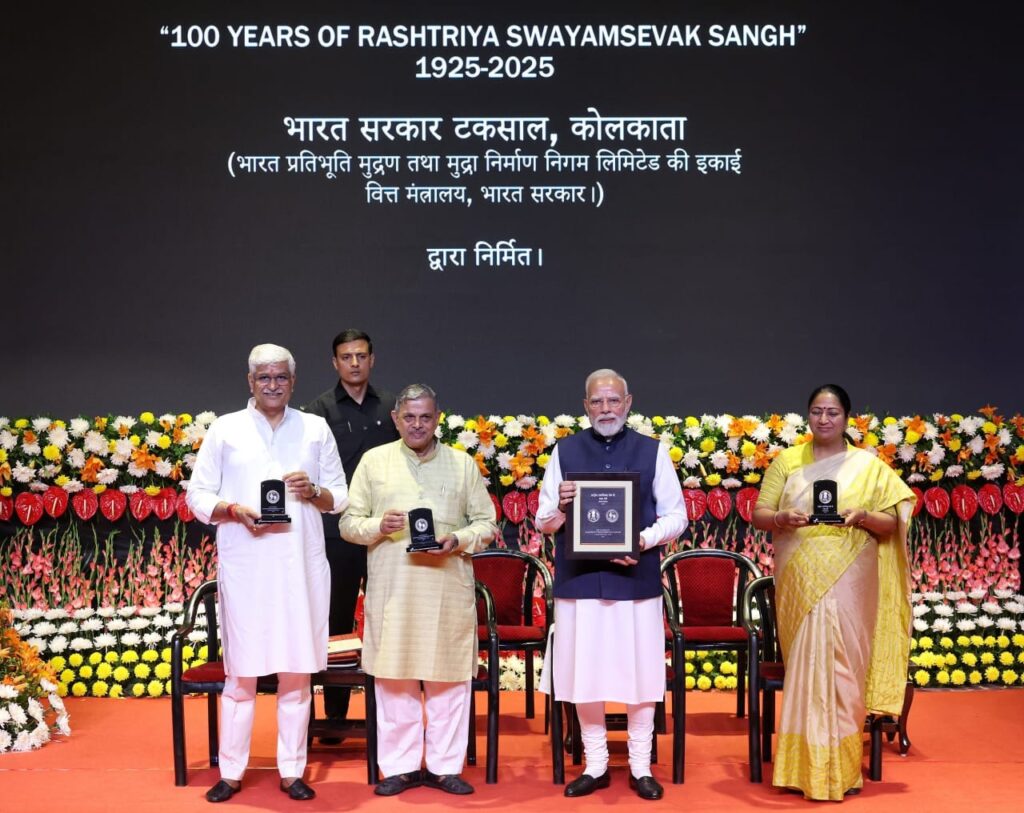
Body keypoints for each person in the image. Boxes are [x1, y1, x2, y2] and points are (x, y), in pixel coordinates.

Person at [186, 344, 348, 803]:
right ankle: (231, 771)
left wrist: (313, 491)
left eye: (280, 377)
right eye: (264, 377)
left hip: (300, 569)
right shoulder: (226, 429)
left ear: (293, 382)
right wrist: (234, 509)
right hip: (247, 568)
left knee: (296, 674)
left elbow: (341, 496)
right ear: (250, 381)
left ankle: (292, 771)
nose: (272, 385)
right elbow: (198, 496)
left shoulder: (314, 428)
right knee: (241, 676)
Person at [752, 384, 915, 801]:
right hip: (800, 580)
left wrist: (863, 516)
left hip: (852, 580)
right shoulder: (787, 461)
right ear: (807, 415)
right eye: (816, 411)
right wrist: (782, 518)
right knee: (807, 665)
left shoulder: (868, 466)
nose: (823, 419)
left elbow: (892, 522)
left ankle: (840, 770)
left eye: (832, 412)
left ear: (847, 418)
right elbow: (760, 514)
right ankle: (799, 768)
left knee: (844, 668)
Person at [339, 384, 498, 796]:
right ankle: (400, 767)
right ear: (396, 419)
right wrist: (378, 526)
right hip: (394, 592)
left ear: (437, 418)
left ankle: (446, 767)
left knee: (448, 681)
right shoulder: (375, 462)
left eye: (425, 417)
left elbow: (487, 524)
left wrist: (458, 540)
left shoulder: (462, 464)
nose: (417, 425)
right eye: (409, 417)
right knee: (395, 680)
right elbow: (348, 525)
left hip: (446, 591)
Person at [536, 369, 687, 800]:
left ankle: (640, 765)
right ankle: (596, 764)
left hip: (635, 580)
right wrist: (561, 507)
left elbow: (677, 516)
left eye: (614, 401)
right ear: (585, 406)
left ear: (628, 403)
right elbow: (544, 521)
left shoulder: (653, 452)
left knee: (641, 674)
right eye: (597, 402)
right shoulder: (564, 451)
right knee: (585, 673)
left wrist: (642, 540)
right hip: (580, 582)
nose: (606, 409)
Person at [303, 329, 398, 736]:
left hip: (386, 532)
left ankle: (388, 715)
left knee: (386, 619)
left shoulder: (392, 407)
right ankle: (336, 717)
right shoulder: (318, 411)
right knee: (337, 619)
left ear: (372, 359)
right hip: (336, 532)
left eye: (361, 355)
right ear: (335, 362)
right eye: (346, 357)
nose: (354, 363)